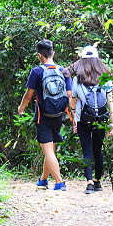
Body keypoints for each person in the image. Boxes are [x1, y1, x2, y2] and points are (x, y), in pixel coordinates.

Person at [17, 39, 73, 190]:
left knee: (48, 150)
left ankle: (60, 182)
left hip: (43, 115)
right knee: (51, 149)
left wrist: (21, 108)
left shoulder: (37, 71)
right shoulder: (64, 71)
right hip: (59, 114)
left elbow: (29, 95)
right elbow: (69, 94)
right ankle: (43, 179)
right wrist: (71, 114)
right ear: (53, 53)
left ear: (39, 56)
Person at [68, 45, 113, 194]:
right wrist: (112, 122)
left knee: (87, 151)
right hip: (101, 119)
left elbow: (73, 101)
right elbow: (110, 101)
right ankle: (98, 181)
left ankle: (89, 183)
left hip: (83, 119)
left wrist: (74, 118)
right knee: (98, 150)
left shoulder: (77, 79)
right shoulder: (106, 77)